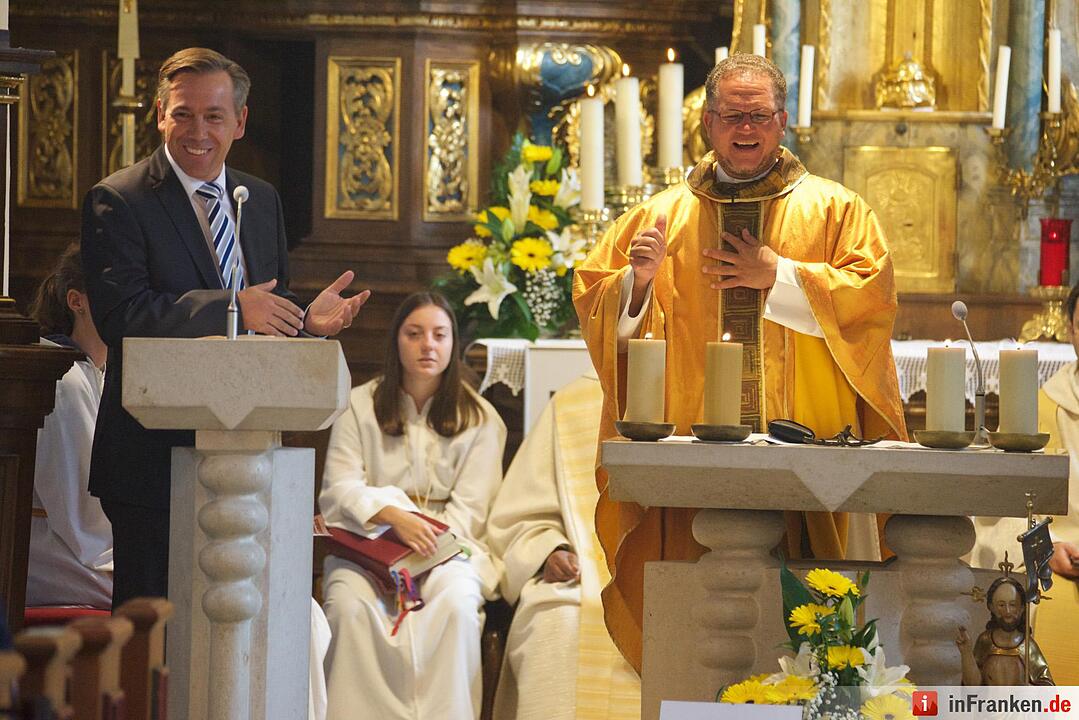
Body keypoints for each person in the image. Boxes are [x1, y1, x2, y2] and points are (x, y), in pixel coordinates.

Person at [572, 53, 906, 672]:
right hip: (690, 463)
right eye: (731, 115)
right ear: (707, 122)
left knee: (810, 642)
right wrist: (635, 287)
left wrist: (777, 276)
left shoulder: (837, 212)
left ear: (782, 122)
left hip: (809, 459)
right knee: (701, 650)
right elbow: (596, 299)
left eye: (757, 115)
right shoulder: (657, 218)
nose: (744, 128)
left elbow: (873, 298)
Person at [80, 47, 370, 607]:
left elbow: (267, 315)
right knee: (158, 644)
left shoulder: (257, 199)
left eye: (214, 116)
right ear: (160, 115)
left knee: (241, 632)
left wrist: (306, 326)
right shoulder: (120, 199)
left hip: (251, 458)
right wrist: (228, 306)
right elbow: (122, 316)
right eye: (183, 113)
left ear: (239, 121)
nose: (197, 131)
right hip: (153, 461)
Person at [319, 291, 506, 720]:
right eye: (415, 334)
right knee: (348, 609)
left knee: (457, 607)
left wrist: (423, 546)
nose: (428, 346)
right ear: (396, 342)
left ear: (452, 344)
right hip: (368, 547)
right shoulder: (359, 406)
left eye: (440, 335)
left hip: (447, 551)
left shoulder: (480, 418)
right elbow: (338, 488)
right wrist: (392, 517)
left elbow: (471, 512)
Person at [487, 371, 640, 720]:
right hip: (579, 580)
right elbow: (521, 518)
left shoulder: (698, 398)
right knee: (555, 622)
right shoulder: (573, 402)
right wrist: (548, 552)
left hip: (680, 577)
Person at [25, 244, 112, 608]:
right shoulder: (64, 377)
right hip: (52, 550)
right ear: (78, 301)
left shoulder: (101, 372)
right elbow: (82, 511)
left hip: (77, 544)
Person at [956, 575, 1053, 685]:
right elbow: (972, 686)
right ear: (992, 607)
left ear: (1021, 608)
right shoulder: (985, 641)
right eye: (1001, 605)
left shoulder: (1027, 646)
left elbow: (1047, 685)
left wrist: (1029, 690)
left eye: (1013, 605)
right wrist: (966, 652)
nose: (1007, 611)